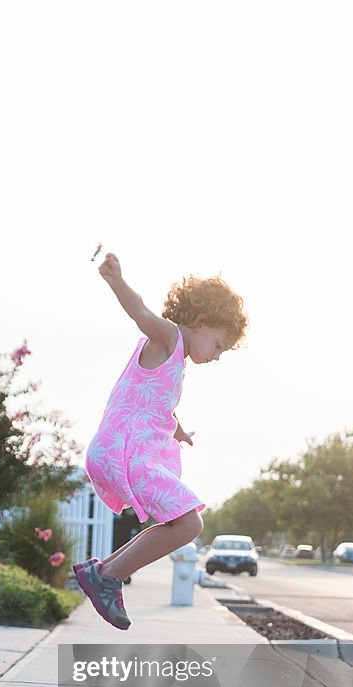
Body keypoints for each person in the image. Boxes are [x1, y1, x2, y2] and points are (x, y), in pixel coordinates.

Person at [74, 252, 248, 629]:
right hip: (125, 455)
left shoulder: (174, 361)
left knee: (179, 522)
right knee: (190, 524)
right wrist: (116, 281)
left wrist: (178, 429)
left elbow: (154, 403)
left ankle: (103, 572)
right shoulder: (168, 338)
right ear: (202, 323)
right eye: (218, 345)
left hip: (119, 452)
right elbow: (140, 312)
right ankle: (106, 575)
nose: (217, 357)